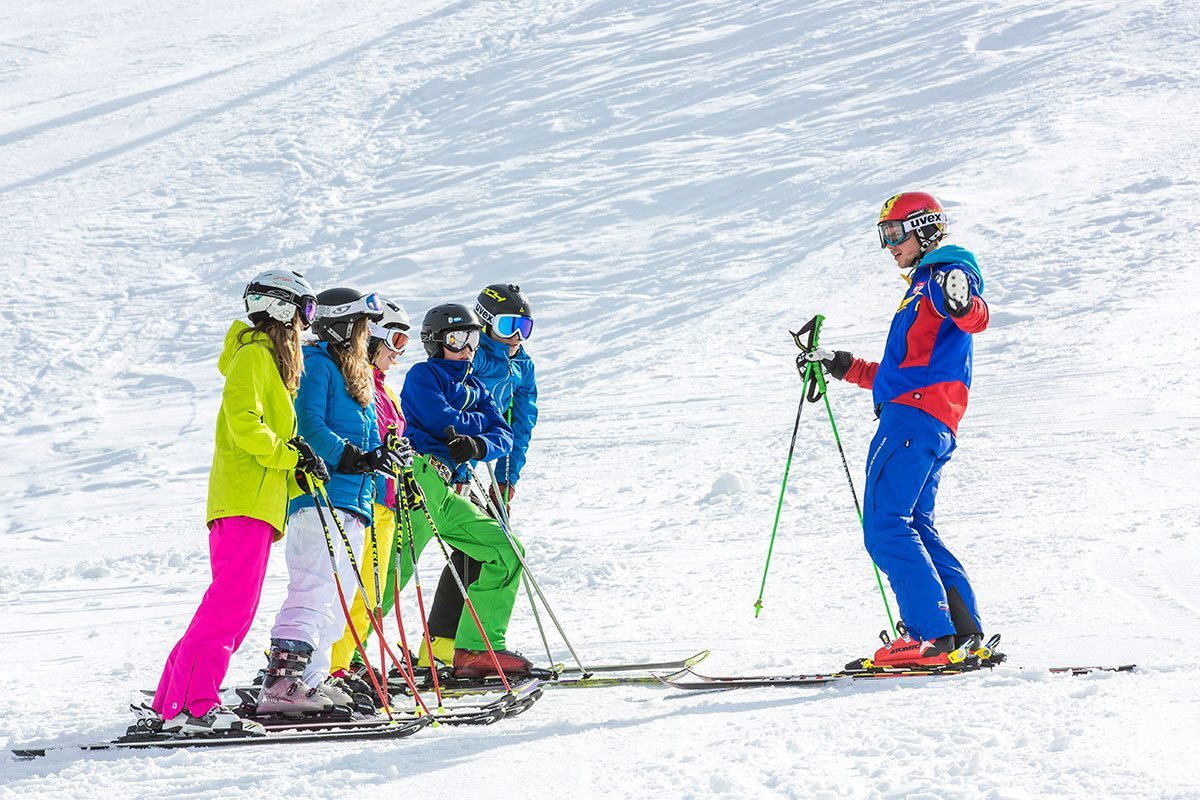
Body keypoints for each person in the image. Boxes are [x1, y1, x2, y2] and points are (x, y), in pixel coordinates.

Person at [807, 191, 991, 669]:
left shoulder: (942, 276)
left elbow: (974, 314)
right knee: (916, 527)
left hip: (910, 421)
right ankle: (963, 634)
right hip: (927, 419)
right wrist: (842, 365)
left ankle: (931, 639)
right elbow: (899, 372)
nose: (890, 246)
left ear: (925, 227)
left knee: (885, 527)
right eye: (884, 236)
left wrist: (962, 299)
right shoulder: (921, 289)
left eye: (895, 234)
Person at [148, 270, 328, 736]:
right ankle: (193, 706)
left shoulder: (264, 362)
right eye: (305, 311)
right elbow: (246, 424)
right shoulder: (255, 355)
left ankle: (173, 700)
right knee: (228, 607)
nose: (307, 325)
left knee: (230, 607)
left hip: (257, 502)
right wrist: (290, 453)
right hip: (244, 501)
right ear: (283, 309)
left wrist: (299, 466)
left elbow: (263, 432)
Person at [257, 287, 396, 714]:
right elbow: (309, 425)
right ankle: (283, 682)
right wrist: (351, 456)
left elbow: (365, 437)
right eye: (363, 325)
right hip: (319, 497)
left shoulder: (354, 375)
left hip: (352, 501)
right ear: (342, 326)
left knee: (338, 599)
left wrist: (383, 456)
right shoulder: (317, 364)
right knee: (313, 587)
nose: (368, 334)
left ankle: (311, 681)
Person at [397, 303, 532, 678]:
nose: (467, 348)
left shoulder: (474, 385)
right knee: (396, 569)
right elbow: (442, 419)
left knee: (505, 550)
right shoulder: (423, 376)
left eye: (473, 338)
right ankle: (347, 656)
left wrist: (478, 445)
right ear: (436, 342)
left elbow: (504, 433)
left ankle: (475, 649)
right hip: (420, 479)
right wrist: (478, 429)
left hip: (451, 490)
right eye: (457, 339)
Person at [327, 298, 412, 678]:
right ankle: (324, 666)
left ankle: (343, 666)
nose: (397, 355)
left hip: (386, 503)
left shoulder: (387, 393)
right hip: (364, 498)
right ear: (372, 337)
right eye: (394, 341)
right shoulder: (356, 386)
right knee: (346, 589)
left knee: (369, 596)